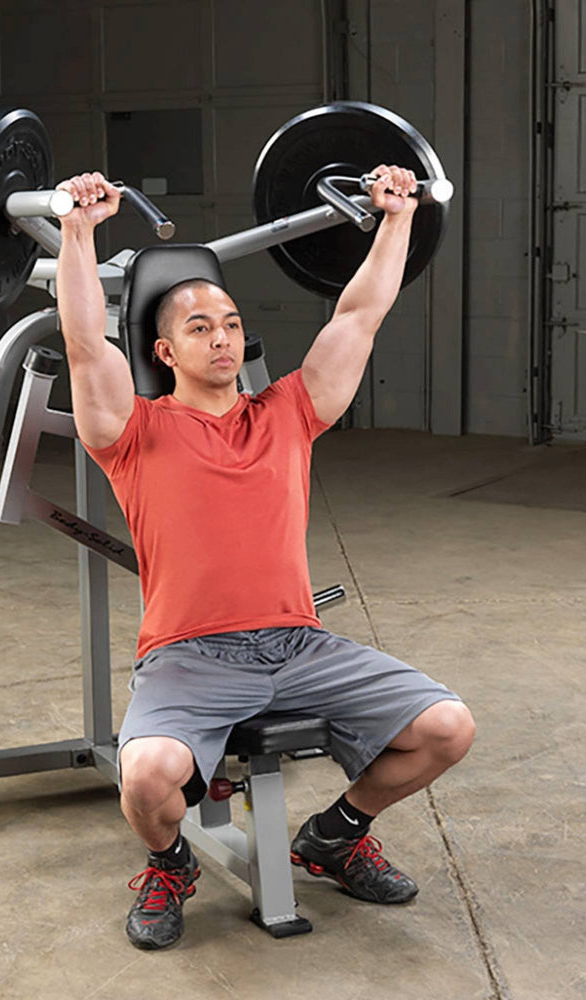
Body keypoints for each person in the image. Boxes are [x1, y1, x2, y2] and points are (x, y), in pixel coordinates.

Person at [54, 167, 475, 951]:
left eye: (232, 323)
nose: (223, 337)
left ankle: (336, 836)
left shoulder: (289, 413)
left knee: (447, 727)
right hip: (188, 656)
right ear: (163, 349)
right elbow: (84, 342)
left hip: (297, 643)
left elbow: (361, 313)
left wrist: (397, 217)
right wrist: (79, 228)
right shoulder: (132, 430)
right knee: (146, 776)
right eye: (201, 327)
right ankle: (171, 864)